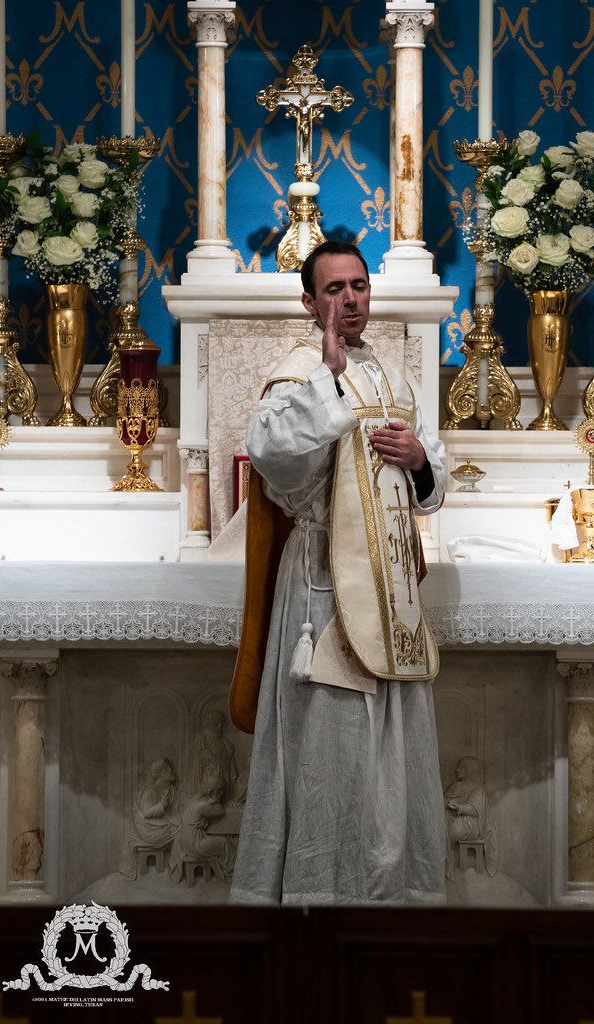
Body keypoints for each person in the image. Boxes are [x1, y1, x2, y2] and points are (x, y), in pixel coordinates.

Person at [229, 241, 447, 905]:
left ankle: (393, 896)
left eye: (357, 286)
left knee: (390, 755)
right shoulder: (299, 371)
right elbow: (273, 458)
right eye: (333, 290)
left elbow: (430, 482)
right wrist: (325, 379)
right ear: (308, 301)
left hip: (390, 589)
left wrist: (418, 460)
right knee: (328, 751)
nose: (349, 300)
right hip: (323, 591)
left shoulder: (389, 373)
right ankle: (317, 899)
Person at [119, 757, 180, 879]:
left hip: (156, 827)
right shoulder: (150, 792)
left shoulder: (169, 789)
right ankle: (175, 868)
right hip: (149, 831)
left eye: (169, 767)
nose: (170, 770)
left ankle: (175, 866)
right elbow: (146, 813)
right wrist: (161, 805)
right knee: (181, 831)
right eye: (166, 769)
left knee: (181, 826)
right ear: (159, 774)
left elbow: (183, 796)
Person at [444, 756, 499, 880]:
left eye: (461, 767)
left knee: (446, 832)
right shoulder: (457, 786)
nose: (457, 770)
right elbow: (446, 800)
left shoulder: (479, 790)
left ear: (468, 770)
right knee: (442, 827)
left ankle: (445, 869)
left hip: (472, 825)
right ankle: (444, 867)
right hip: (460, 821)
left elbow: (475, 809)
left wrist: (459, 808)